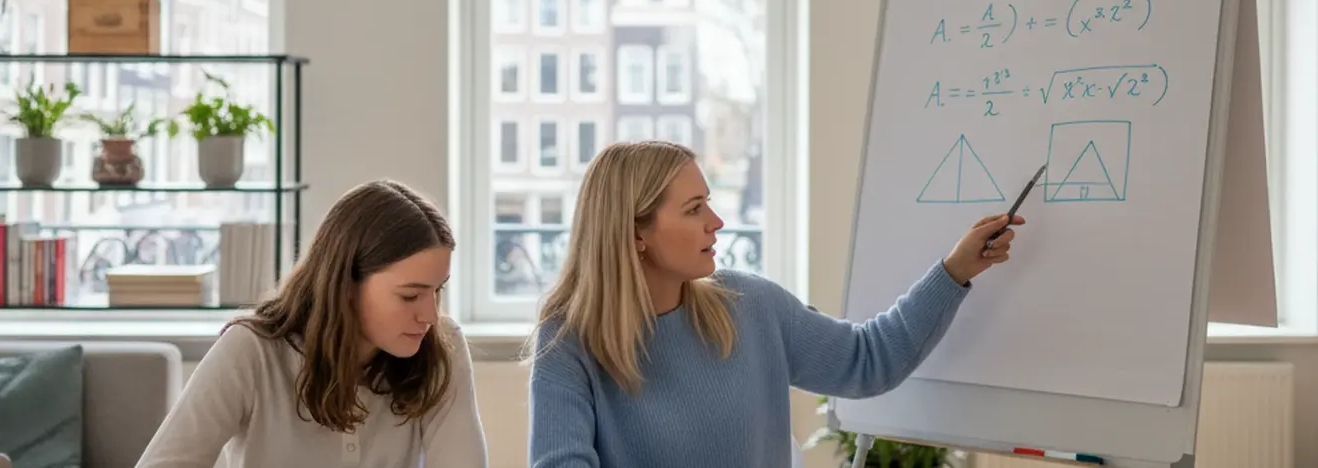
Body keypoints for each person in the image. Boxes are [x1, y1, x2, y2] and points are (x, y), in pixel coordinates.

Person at [524, 141, 1025, 468]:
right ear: (636, 233)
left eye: (710, 202)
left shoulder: (749, 305)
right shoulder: (568, 344)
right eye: (695, 209)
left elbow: (868, 362)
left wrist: (955, 270)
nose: (716, 222)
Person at [137, 179, 487, 468]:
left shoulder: (443, 347)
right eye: (410, 296)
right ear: (347, 284)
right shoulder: (252, 350)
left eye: (437, 291)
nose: (429, 314)